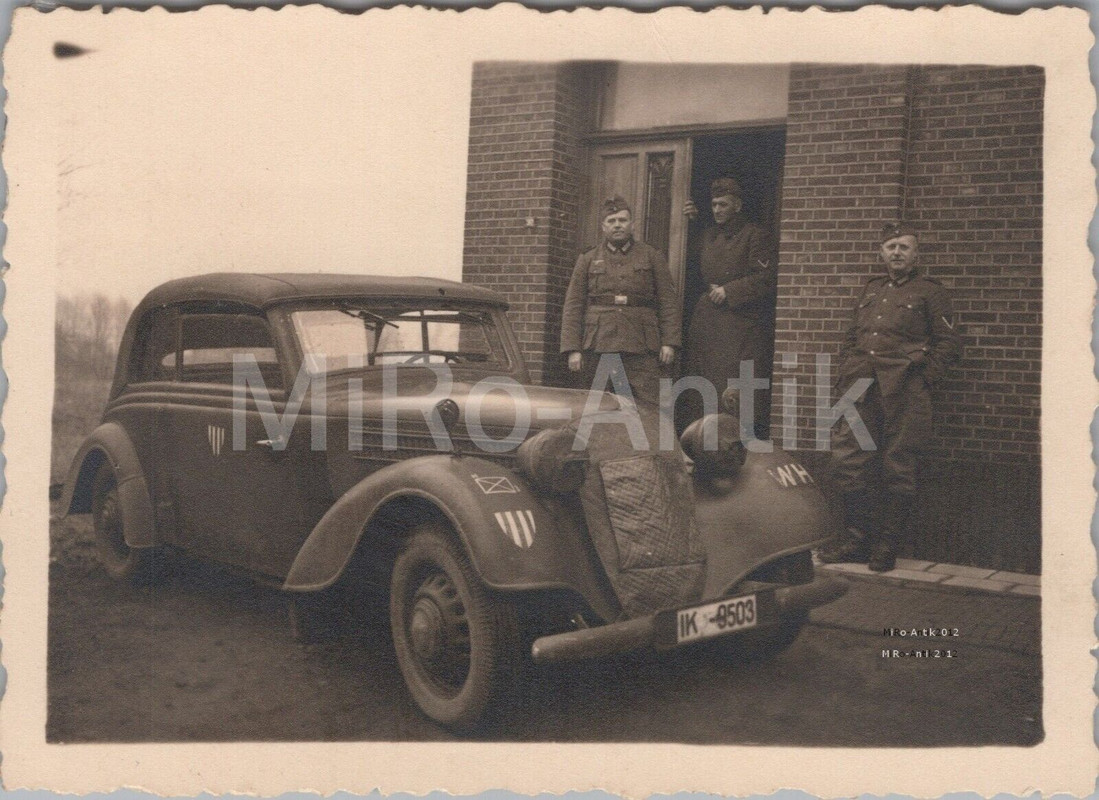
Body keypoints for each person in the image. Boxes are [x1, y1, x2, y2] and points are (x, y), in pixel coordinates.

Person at [819, 222, 961, 572]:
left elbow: (949, 344)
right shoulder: (872, 289)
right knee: (849, 460)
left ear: (916, 254)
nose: (896, 252)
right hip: (860, 387)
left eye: (904, 247)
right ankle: (856, 539)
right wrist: (847, 368)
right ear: (881, 253)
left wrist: (922, 379)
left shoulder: (930, 292)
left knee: (898, 464)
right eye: (891, 246)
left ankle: (886, 545)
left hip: (904, 390)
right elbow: (852, 336)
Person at [560, 197, 679, 409]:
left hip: (640, 345)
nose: (617, 225)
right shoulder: (587, 259)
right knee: (595, 405)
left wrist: (669, 342)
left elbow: (667, 302)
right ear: (603, 226)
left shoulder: (651, 256)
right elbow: (573, 305)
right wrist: (572, 349)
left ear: (632, 224)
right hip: (599, 344)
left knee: (649, 404)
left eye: (622, 220)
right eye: (612, 220)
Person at [683, 177, 776, 436]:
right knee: (705, 388)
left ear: (737, 205)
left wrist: (730, 291)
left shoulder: (755, 236)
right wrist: (689, 223)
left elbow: (765, 279)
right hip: (709, 323)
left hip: (741, 327)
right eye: (714, 205)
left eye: (723, 204)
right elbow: (688, 261)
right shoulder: (708, 235)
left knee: (735, 392)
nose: (717, 210)